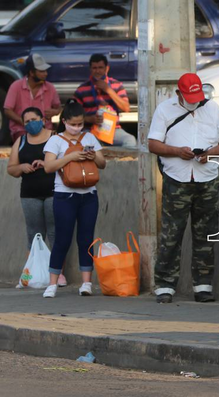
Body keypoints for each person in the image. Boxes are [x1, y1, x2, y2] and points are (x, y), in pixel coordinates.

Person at [148, 73, 219, 304]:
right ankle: (164, 286)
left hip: (207, 178)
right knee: (171, 234)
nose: (194, 101)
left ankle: (203, 286)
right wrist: (177, 151)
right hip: (177, 179)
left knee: (205, 233)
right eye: (189, 97)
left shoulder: (212, 108)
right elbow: (153, 144)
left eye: (197, 96)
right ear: (178, 93)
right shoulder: (165, 110)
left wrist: (210, 153)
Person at [41, 99, 106, 298]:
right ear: (65, 121)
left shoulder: (90, 137)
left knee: (86, 239)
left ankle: (86, 283)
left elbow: (102, 164)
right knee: (62, 239)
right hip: (64, 195)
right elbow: (48, 167)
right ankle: (52, 283)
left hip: (88, 195)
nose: (77, 128)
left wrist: (92, 155)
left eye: (80, 124)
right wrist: (71, 156)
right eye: (73, 124)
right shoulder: (55, 140)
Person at [6, 107, 67, 287]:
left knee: (55, 233)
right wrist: (21, 167)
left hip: (53, 192)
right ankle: (30, 273)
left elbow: (65, 162)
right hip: (29, 194)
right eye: (26, 121)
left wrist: (46, 163)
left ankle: (58, 274)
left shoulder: (55, 137)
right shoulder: (21, 141)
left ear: (42, 119)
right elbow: (11, 169)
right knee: (33, 235)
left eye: (34, 119)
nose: (30, 124)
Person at [73, 54, 137, 148]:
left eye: (100, 67)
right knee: (89, 143)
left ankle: (122, 163)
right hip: (90, 129)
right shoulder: (82, 89)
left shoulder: (116, 85)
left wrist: (108, 90)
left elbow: (126, 108)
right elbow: (73, 116)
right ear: (90, 69)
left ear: (107, 69)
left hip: (113, 129)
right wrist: (90, 119)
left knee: (130, 140)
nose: (97, 71)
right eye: (94, 68)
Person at [3, 54, 61, 143]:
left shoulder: (50, 87)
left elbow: (58, 108)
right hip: (21, 130)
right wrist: (25, 122)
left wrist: (55, 112)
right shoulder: (16, 86)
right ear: (31, 72)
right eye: (41, 71)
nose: (45, 74)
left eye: (45, 71)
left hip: (45, 130)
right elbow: (7, 110)